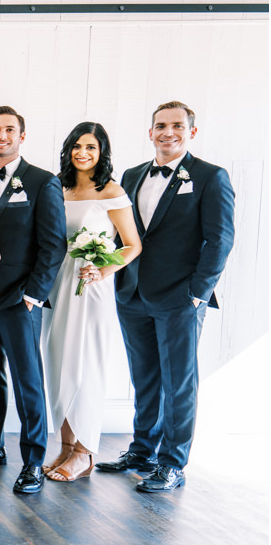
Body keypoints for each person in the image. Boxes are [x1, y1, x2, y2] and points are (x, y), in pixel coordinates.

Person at [98, 101, 235, 492]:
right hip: (133, 293)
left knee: (179, 383)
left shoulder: (211, 176)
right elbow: (123, 234)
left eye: (177, 125)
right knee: (145, 379)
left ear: (191, 131)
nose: (167, 132)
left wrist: (197, 294)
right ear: (150, 132)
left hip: (180, 298)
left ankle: (173, 464)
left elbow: (220, 238)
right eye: (160, 125)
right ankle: (142, 451)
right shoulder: (131, 174)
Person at [0, 106, 66, 495]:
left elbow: (54, 245)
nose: (1, 135)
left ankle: (34, 460)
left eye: (9, 129)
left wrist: (34, 296)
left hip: (21, 299)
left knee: (28, 382)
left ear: (22, 136)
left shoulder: (42, 181)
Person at [40, 123, 142, 482]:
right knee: (59, 364)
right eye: (77, 146)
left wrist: (102, 268)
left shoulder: (111, 190)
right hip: (58, 285)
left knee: (85, 366)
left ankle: (84, 452)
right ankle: (66, 447)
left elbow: (132, 245)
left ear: (102, 153)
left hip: (91, 285)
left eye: (91, 147)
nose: (83, 153)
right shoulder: (59, 187)